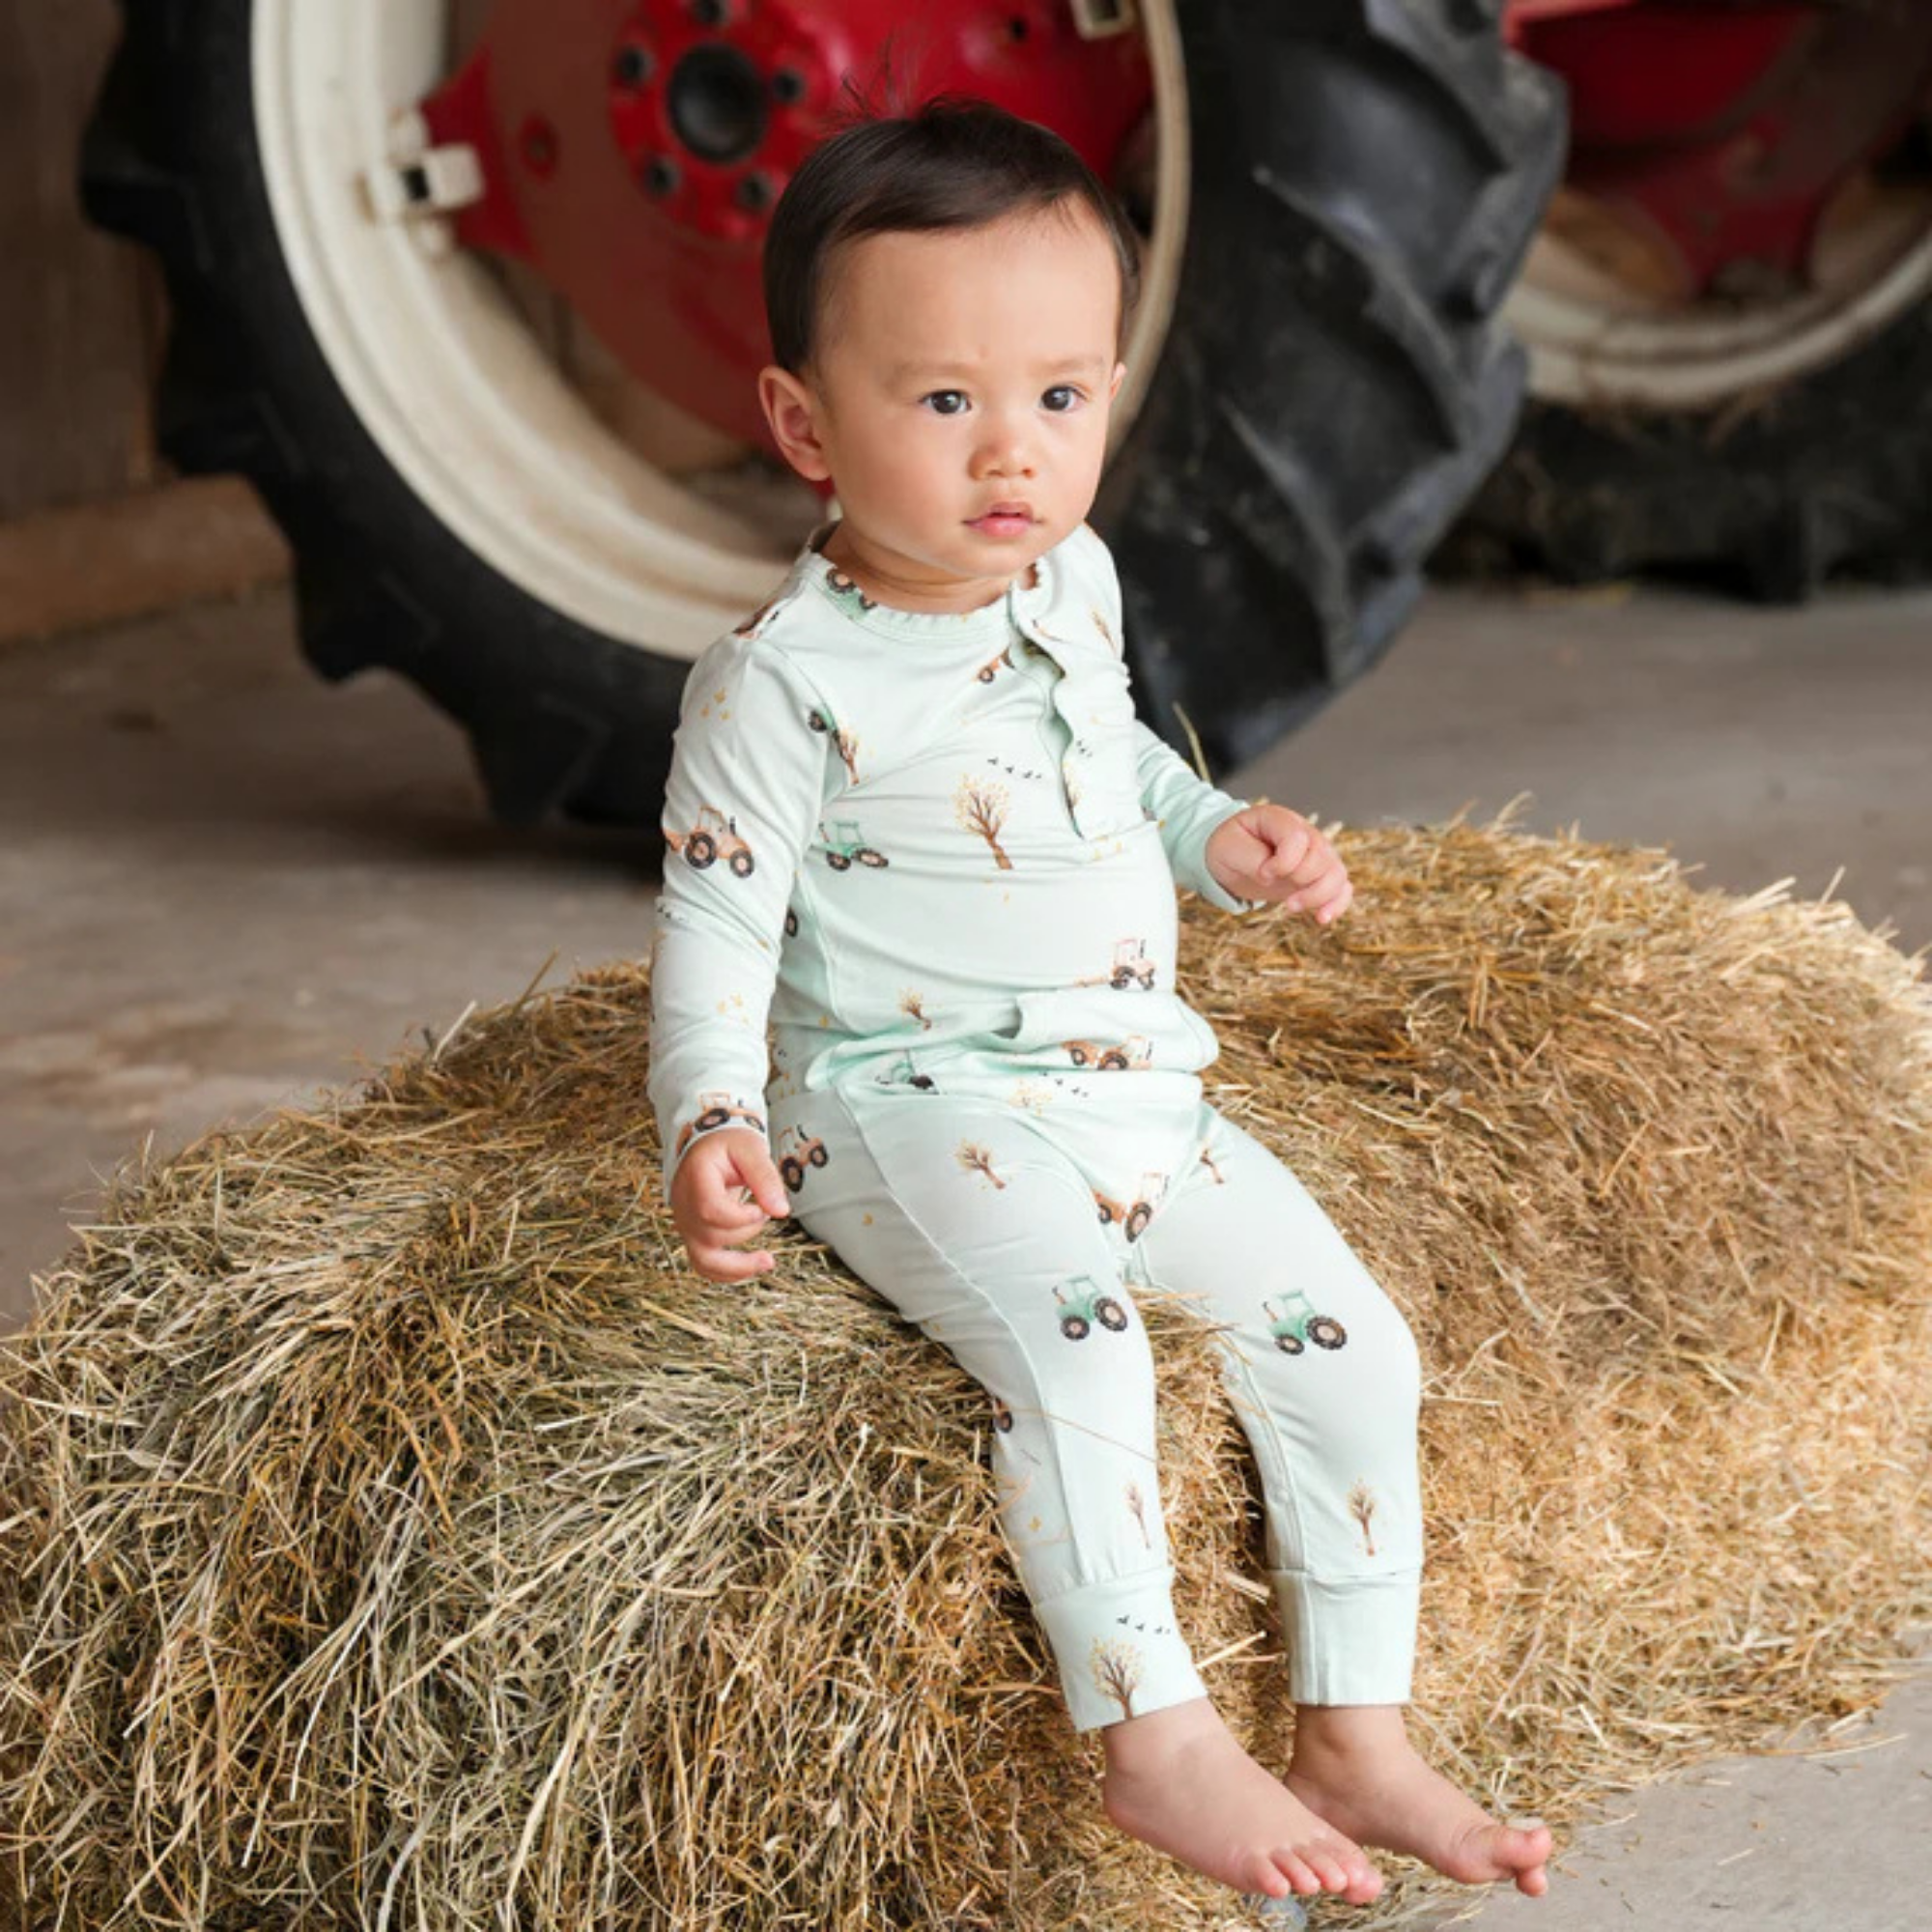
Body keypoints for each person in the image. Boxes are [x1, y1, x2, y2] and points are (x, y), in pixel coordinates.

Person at [647, 97, 1552, 1911]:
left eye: (1062, 398)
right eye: (944, 401)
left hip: (1138, 1085)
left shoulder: (1070, 578)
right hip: (914, 1106)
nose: (1014, 455)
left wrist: (1223, 837)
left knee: (1356, 1343)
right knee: (1080, 1349)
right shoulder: (778, 687)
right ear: (803, 425)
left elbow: (1120, 757)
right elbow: (716, 929)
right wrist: (713, 1123)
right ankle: (1154, 1738)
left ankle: (1355, 1733)